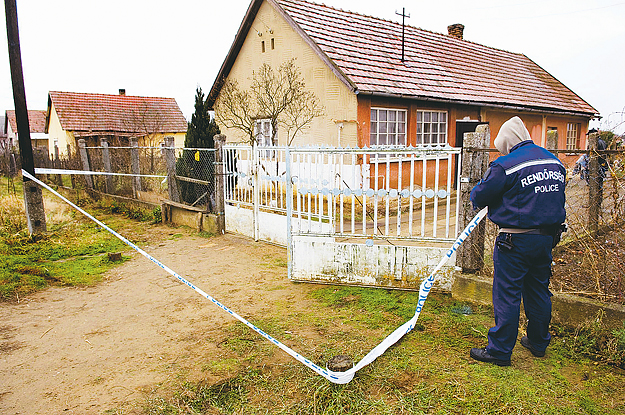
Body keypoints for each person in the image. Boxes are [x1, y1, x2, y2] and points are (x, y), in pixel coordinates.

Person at [469, 116, 566, 366]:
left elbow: (480, 196)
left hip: (514, 240)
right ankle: (538, 342)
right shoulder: (554, 161)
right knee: (538, 291)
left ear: (508, 142)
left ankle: (500, 351)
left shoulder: (506, 165)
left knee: (507, 294)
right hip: (546, 238)